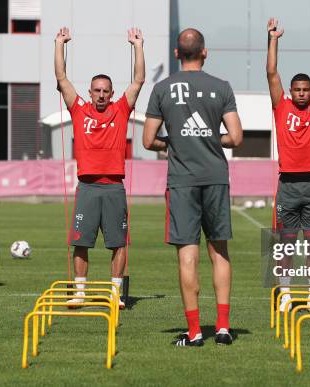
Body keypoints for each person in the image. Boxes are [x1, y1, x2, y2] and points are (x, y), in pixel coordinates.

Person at [143, 28, 243, 346]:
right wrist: (211, 139)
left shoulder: (161, 89)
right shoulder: (221, 86)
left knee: (188, 256)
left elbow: (147, 140)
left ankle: (195, 331)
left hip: (182, 181)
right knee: (220, 251)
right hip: (215, 176)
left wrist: (174, 143)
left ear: (176, 53)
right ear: (205, 52)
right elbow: (236, 137)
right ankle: (224, 327)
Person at [54, 26, 145, 308]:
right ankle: (79, 292)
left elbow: (139, 79)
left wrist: (137, 46)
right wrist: (59, 43)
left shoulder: (121, 109)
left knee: (118, 243)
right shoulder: (79, 108)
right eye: (97, 91)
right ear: (90, 92)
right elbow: (61, 77)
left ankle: (115, 293)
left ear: (112, 92)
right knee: (81, 242)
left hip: (115, 187)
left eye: (106, 91)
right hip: (88, 187)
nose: (102, 95)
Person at [266, 18, 310, 312]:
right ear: (291, 91)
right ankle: (284, 294)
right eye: (297, 89)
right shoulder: (281, 106)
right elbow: (271, 73)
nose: (302, 93)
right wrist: (273, 39)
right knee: (285, 244)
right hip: (288, 185)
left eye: (306, 90)